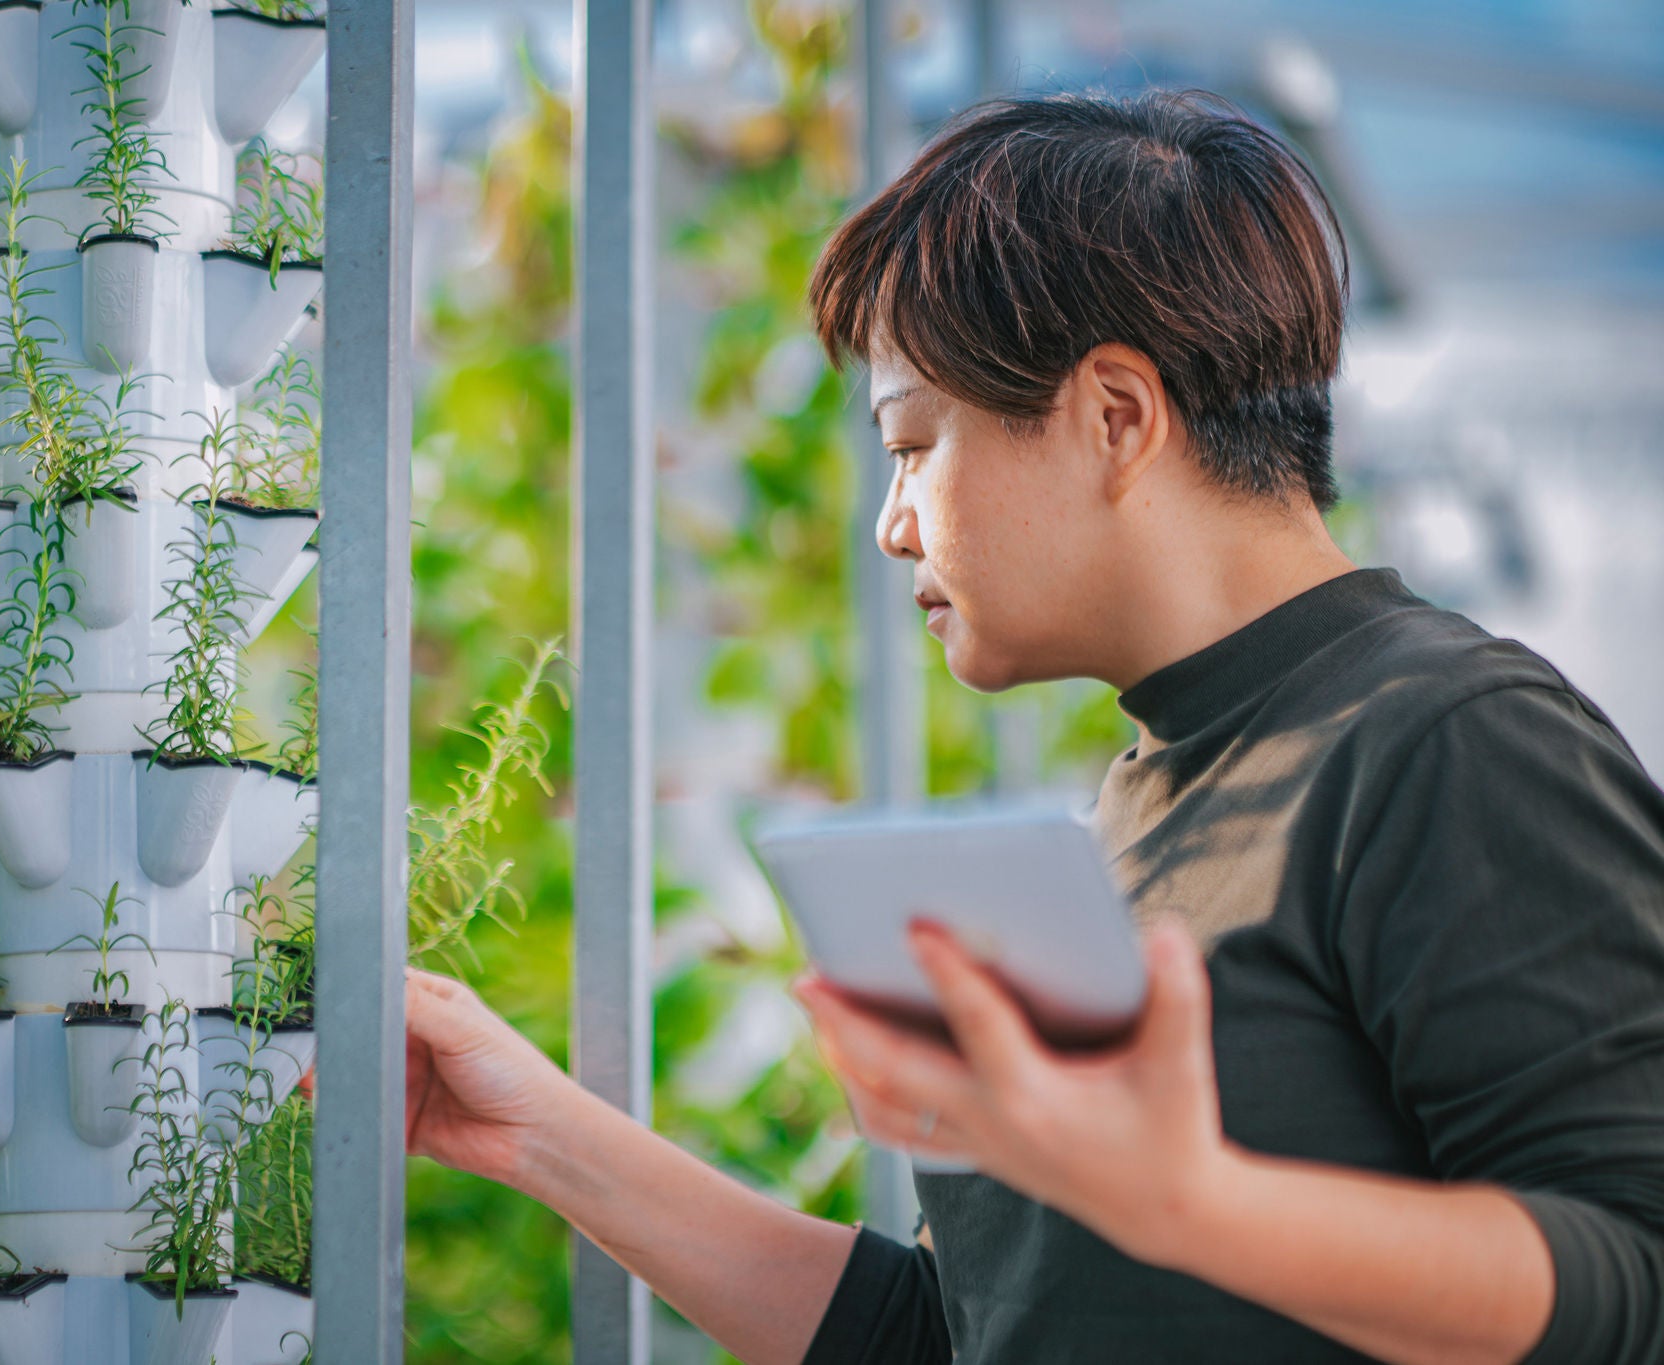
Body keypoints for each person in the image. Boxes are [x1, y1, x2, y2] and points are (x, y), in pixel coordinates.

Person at [399, 90, 1664, 1363]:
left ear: (1115, 417)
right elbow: (956, 1339)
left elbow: (1633, 1278)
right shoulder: (1140, 800)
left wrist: (1198, 1207)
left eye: (911, 443)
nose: (893, 522)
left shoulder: (1452, 740)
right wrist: (538, 1135)